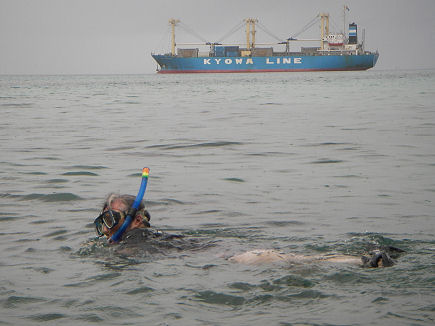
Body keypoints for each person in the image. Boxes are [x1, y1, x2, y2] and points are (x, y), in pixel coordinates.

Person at [93, 193, 403, 267]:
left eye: (111, 219)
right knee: (297, 260)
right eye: (103, 221)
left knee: (294, 261)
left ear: (135, 220)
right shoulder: (149, 237)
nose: (106, 228)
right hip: (216, 254)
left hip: (225, 257)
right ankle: (363, 260)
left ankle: (364, 262)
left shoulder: (130, 245)